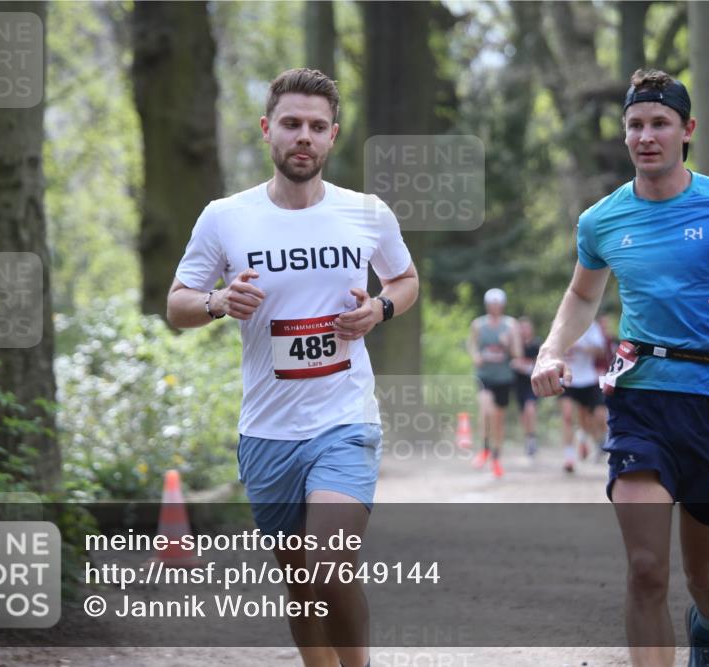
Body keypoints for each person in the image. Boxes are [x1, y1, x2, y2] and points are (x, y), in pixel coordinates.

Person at [531, 68, 709, 667]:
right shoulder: (601, 220)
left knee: (707, 574)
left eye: (659, 124)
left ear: (686, 130)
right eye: (635, 125)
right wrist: (552, 350)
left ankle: (706, 622)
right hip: (639, 400)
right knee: (646, 570)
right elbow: (581, 296)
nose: (646, 136)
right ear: (624, 135)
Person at [167, 68, 419, 667]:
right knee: (300, 582)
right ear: (267, 130)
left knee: (329, 562)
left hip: (344, 418)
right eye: (291, 124)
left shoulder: (366, 213)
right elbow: (178, 304)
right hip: (266, 430)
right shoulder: (225, 217)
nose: (303, 136)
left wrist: (380, 308)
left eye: (316, 126)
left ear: (333, 136)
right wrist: (217, 302)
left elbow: (406, 280)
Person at [467, 288, 522, 478]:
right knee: (485, 410)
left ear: (503, 305)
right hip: (485, 376)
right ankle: (484, 449)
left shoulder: (511, 325)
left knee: (498, 419)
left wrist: (507, 344)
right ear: (487, 305)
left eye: (498, 304)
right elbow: (472, 345)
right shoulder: (478, 324)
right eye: (492, 304)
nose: (495, 307)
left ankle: (497, 457)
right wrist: (476, 356)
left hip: (504, 378)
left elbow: (517, 353)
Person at [558, 319, 608, 472]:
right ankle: (569, 458)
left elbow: (601, 351)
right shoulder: (560, 324)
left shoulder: (591, 326)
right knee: (567, 416)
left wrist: (581, 347)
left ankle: (587, 439)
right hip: (567, 378)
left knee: (593, 418)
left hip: (588, 379)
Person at [513, 316, 542, 456]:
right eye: (521, 328)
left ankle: (533, 437)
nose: (523, 330)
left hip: (533, 383)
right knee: (523, 413)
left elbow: (539, 364)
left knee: (530, 408)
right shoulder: (515, 346)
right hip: (518, 384)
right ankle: (528, 437)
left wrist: (524, 367)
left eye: (526, 327)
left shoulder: (537, 345)